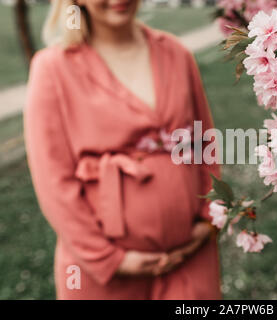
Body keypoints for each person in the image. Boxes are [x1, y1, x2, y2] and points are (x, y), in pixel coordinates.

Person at [24, 0, 221, 300]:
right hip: (103, 276)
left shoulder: (175, 53)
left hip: (190, 259)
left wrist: (209, 220)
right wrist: (108, 259)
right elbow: (54, 184)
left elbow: (205, 144)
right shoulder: (53, 68)